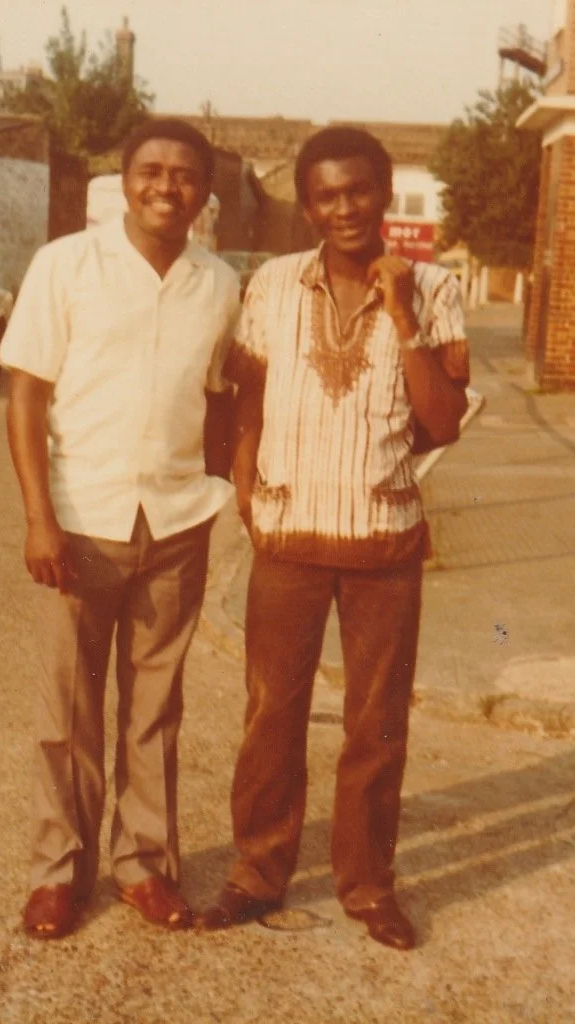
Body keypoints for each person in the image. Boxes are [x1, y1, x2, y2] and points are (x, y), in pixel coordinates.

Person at [200, 127, 470, 951]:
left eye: (358, 191)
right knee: (270, 716)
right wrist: (245, 483)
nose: (344, 207)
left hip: (383, 541)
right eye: (326, 194)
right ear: (308, 204)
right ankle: (257, 870)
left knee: (377, 722)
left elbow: (443, 419)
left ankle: (366, 884)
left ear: (384, 193)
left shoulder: (434, 287)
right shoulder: (274, 284)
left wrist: (403, 316)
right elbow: (244, 397)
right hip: (287, 536)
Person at [1, 118, 239, 941]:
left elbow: (218, 396)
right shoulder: (66, 264)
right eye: (151, 170)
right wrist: (40, 519)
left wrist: (223, 485)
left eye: (184, 176)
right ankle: (58, 873)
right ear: (124, 176)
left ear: (204, 194)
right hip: (80, 521)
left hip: (175, 521)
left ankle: (143, 866)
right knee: (68, 712)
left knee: (155, 710)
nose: (166, 187)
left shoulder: (219, 283)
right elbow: (26, 396)